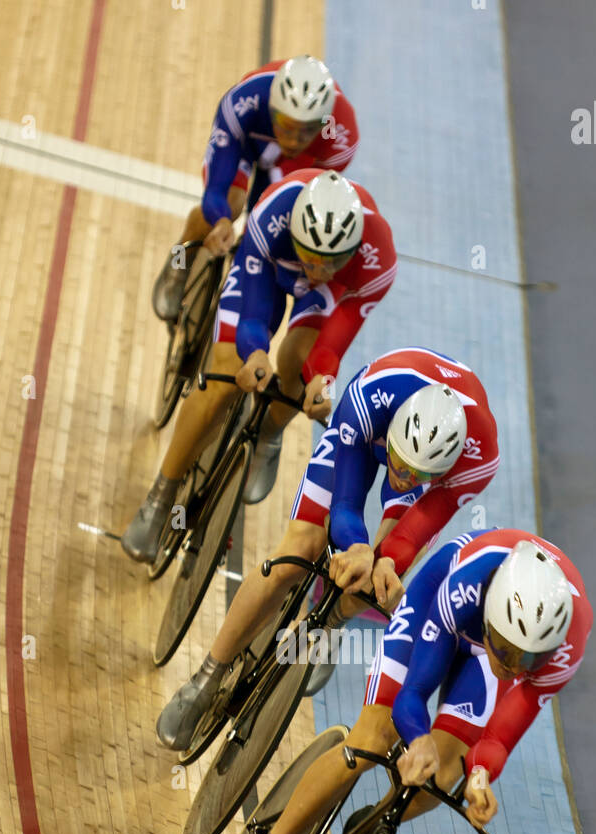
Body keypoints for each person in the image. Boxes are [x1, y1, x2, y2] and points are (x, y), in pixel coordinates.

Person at [213, 529, 593, 834]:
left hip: (489, 637)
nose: (513, 666)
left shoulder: (562, 651)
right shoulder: (463, 588)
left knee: (444, 777)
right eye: (507, 651)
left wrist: (481, 776)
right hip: (439, 610)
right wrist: (419, 739)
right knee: (372, 739)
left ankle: (366, 825)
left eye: (525, 660)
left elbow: (501, 732)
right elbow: (414, 692)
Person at [156, 346, 501, 748]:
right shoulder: (369, 399)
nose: (403, 477)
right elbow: (346, 503)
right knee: (298, 552)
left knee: (382, 577)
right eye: (400, 464)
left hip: (429, 459)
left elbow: (419, 523)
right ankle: (207, 675)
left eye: (416, 473)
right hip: (369, 429)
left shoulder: (479, 459)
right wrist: (356, 545)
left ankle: (331, 622)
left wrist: (385, 560)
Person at [122, 168, 396, 561]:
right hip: (268, 273)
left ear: (352, 251)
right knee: (223, 379)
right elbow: (252, 314)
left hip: (326, 299)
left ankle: (270, 430)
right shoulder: (272, 213)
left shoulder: (378, 260)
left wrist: (323, 381)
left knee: (299, 363)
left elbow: (334, 342)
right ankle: (161, 494)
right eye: (311, 257)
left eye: (329, 261)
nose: (317, 269)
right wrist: (253, 351)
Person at [152, 55, 358, 319]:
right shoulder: (245, 100)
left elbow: (311, 200)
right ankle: (179, 261)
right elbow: (216, 186)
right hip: (248, 143)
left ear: (323, 123)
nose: (294, 139)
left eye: (306, 130)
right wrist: (221, 219)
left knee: (272, 229)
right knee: (228, 204)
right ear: (272, 109)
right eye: (287, 126)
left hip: (295, 164)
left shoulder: (340, 137)